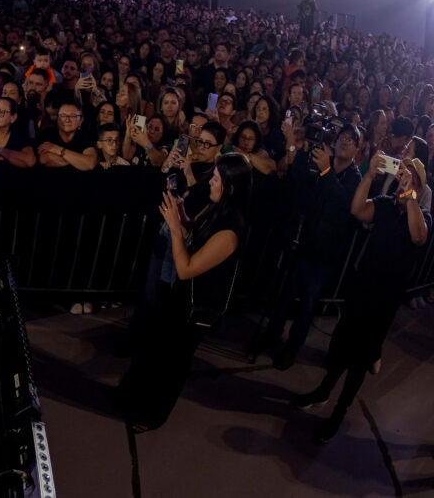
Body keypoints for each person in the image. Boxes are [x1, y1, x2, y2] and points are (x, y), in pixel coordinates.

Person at [293, 153, 430, 442]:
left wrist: (411, 197)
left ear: (419, 185)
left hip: (384, 300)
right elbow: (357, 210)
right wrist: (369, 176)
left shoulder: (421, 215)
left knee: (359, 360)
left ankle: (339, 411)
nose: (403, 179)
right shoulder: (385, 205)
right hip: (361, 288)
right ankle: (323, 391)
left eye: (410, 177)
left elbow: (419, 237)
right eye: (402, 174)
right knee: (341, 346)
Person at [117, 153, 251, 432]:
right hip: (177, 298)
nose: (210, 182)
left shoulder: (231, 231)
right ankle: (129, 397)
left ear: (231, 187)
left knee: (171, 364)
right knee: (152, 351)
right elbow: (193, 236)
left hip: (193, 308)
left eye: (216, 179)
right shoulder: (215, 208)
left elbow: (186, 269)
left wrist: (175, 230)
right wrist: (181, 216)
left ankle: (152, 415)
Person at [256, 124, 361, 370]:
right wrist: (296, 147)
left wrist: (326, 171)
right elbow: (299, 180)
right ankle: (271, 336)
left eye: (351, 139)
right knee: (284, 296)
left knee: (307, 304)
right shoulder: (323, 161)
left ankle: (292, 348)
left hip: (325, 254)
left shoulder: (355, 177)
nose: (344, 142)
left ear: (358, 148)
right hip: (303, 241)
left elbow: (343, 204)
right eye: (342, 137)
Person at [36, 101, 97, 171]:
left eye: (73, 116)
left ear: (80, 121)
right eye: (63, 115)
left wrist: (58, 149)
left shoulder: (86, 136)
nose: (67, 120)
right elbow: (44, 159)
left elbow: (90, 163)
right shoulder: (48, 133)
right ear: (58, 118)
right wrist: (79, 160)